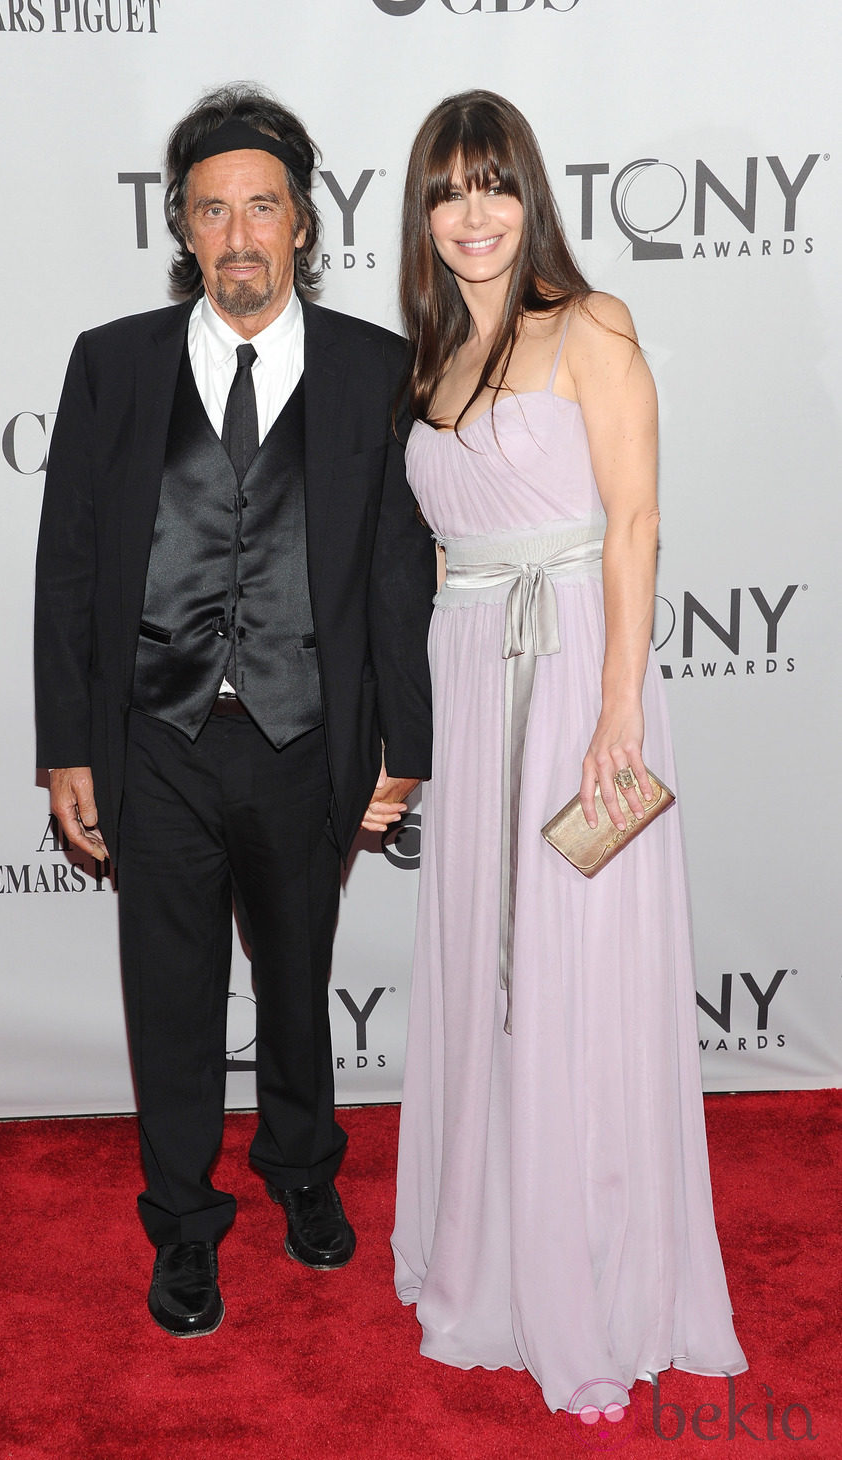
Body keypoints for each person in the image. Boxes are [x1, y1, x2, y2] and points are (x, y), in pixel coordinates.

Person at [34, 85, 434, 1339]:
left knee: (300, 977)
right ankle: (184, 1230)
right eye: (213, 209)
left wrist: (402, 748)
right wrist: (65, 746)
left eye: (262, 204)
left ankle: (305, 1177)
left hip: (305, 736)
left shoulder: (375, 366)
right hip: (154, 742)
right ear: (183, 228)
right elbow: (70, 562)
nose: (239, 232)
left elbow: (395, 577)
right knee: (170, 998)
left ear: (304, 223)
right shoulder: (114, 363)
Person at [390, 90, 747, 1414]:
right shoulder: (423, 367)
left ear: (530, 195)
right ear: (423, 213)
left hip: (579, 673)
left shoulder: (590, 325)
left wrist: (620, 708)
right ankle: (488, 1249)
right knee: (491, 971)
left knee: (579, 974)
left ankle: (596, 1272)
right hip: (474, 677)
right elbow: (437, 563)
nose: (473, 214)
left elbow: (639, 519)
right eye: (447, 189)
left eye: (493, 184)